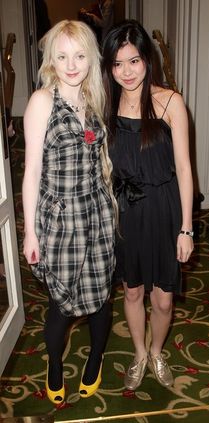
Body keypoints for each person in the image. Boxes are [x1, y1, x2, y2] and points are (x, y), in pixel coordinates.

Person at [22, 20, 117, 405]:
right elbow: (30, 172)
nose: (71, 64)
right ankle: (55, 365)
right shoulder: (42, 101)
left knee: (100, 301)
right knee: (60, 307)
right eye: (62, 56)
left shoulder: (94, 99)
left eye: (79, 55)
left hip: (97, 218)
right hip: (60, 223)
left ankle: (95, 359)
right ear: (51, 60)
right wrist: (30, 232)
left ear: (90, 58)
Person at [102, 19, 194, 391]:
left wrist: (186, 227)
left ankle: (157, 351)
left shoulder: (169, 101)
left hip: (163, 208)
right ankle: (140, 354)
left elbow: (186, 169)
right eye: (118, 63)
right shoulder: (105, 104)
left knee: (163, 298)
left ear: (147, 61)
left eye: (134, 61)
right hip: (124, 210)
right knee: (132, 290)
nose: (126, 72)